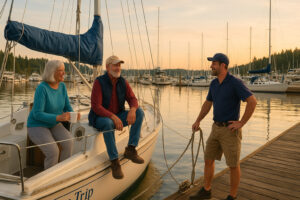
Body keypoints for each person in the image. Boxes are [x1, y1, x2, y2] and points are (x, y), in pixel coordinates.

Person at [190, 53, 257, 200]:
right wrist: (198, 120)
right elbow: (208, 104)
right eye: (211, 63)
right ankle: (206, 190)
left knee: (233, 164)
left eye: (214, 63)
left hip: (230, 130)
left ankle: (232, 196)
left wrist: (242, 122)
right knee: (208, 159)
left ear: (223, 66)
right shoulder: (214, 84)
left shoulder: (235, 83)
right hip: (216, 128)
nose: (211, 66)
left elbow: (252, 101)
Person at [88, 55, 144, 179]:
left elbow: (132, 99)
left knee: (140, 112)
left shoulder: (122, 82)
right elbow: (96, 106)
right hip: (99, 118)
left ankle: (130, 149)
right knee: (108, 123)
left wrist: (133, 110)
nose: (118, 68)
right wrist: (113, 117)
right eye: (115, 65)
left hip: (117, 115)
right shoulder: (99, 82)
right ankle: (114, 161)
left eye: (119, 65)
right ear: (108, 67)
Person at [27, 60, 80, 170]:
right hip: (36, 125)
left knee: (69, 142)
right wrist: (59, 117)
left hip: (53, 124)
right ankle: (48, 180)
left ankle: (62, 172)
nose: (64, 73)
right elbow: (37, 114)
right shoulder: (42, 88)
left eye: (63, 70)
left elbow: (66, 106)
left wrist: (73, 114)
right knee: (53, 151)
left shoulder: (62, 87)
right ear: (52, 72)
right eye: (60, 71)